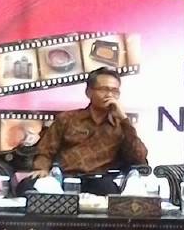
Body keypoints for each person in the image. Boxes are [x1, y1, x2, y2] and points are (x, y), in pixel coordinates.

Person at [16, 67, 148, 196]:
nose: (109, 95)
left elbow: (139, 157)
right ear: (89, 92)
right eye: (103, 89)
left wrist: (124, 119)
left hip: (99, 181)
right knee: (27, 186)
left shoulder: (121, 125)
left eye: (115, 91)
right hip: (64, 178)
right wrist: (42, 168)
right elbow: (46, 150)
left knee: (108, 190)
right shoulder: (67, 119)